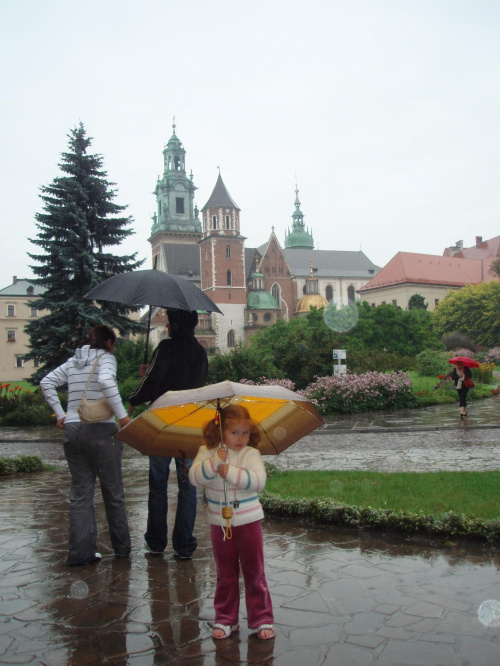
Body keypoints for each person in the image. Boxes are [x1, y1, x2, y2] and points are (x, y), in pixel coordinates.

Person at [40, 325, 131, 566]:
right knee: (113, 493)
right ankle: (122, 549)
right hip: (101, 430)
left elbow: (46, 382)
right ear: (109, 343)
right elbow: (106, 382)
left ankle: (81, 554)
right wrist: (122, 416)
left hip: (72, 430)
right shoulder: (107, 358)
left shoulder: (73, 361)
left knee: (80, 495)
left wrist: (60, 414)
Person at [189, 404, 275, 641]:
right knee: (225, 574)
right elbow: (194, 478)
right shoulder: (207, 452)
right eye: (234, 433)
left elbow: (259, 481)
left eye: (245, 433)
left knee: (254, 571)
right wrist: (214, 463)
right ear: (219, 432)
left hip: (249, 522)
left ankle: (262, 618)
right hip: (220, 524)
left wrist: (232, 473)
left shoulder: (251, 454)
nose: (240, 439)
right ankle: (226, 618)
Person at [128, 309, 208, 559]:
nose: (167, 325)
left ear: (175, 323)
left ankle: (156, 542)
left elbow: (154, 383)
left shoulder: (165, 348)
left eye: (169, 322)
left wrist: (136, 395)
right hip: (190, 425)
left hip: (162, 423)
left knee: (158, 484)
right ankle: (184, 545)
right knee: (188, 486)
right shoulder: (200, 352)